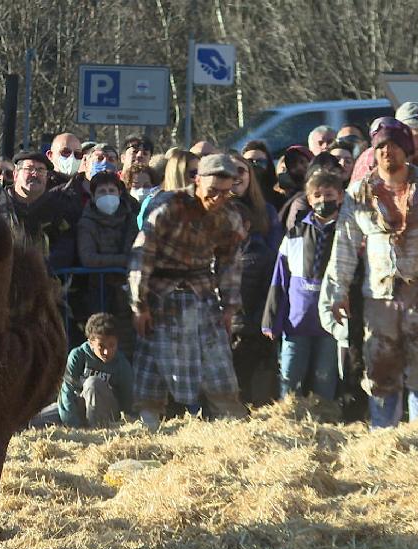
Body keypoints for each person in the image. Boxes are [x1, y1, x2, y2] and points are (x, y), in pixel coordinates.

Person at [321, 117, 418, 428]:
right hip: (378, 299)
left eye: (394, 145)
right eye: (381, 146)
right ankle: (385, 441)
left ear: (406, 149)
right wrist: (337, 292)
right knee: (381, 377)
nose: (387, 152)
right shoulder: (359, 193)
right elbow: (343, 246)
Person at [128, 153, 249, 430]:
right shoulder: (167, 207)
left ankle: (231, 425)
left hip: (202, 294)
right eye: (212, 191)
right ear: (197, 181)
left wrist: (230, 306)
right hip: (160, 294)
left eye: (225, 192)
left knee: (219, 364)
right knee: (152, 369)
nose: (218, 198)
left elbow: (230, 262)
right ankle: (147, 425)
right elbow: (141, 255)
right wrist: (139, 305)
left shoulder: (230, 215)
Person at [263, 170, 346, 401]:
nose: (322, 200)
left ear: (340, 196)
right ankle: (289, 421)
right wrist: (271, 320)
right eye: (316, 195)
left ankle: (325, 418)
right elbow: (279, 280)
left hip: (331, 324)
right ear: (309, 199)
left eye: (328, 194)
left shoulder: (346, 234)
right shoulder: (294, 234)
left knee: (325, 378)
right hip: (296, 321)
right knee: (290, 378)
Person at [228, 153, 282, 406]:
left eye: (242, 170)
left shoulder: (266, 212)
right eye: (230, 171)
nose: (237, 176)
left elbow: (272, 261)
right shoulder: (210, 210)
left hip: (254, 303)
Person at [77, 170, 138, 355]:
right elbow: (88, 258)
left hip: (128, 292)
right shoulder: (86, 223)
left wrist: (126, 261)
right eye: (102, 192)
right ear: (93, 197)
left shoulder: (130, 219)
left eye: (112, 190)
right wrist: (123, 261)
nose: (108, 195)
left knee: (127, 344)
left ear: (120, 193)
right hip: (99, 293)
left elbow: (135, 250)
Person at [1, 151, 82, 271]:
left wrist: (41, 266)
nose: (35, 174)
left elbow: (65, 244)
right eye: (29, 169)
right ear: (15, 174)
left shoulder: (57, 208)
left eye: (41, 170)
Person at [56, 313, 134, 427]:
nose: (106, 352)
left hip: (107, 412)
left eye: (111, 345)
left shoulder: (122, 364)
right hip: (79, 405)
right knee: (37, 421)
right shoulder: (78, 356)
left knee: (93, 383)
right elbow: (67, 390)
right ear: (91, 342)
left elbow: (127, 402)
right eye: (101, 346)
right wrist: (72, 424)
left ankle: (95, 431)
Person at [138, 150, 198, 226]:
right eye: (193, 173)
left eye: (201, 173)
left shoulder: (202, 203)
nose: (199, 178)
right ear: (178, 175)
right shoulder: (156, 204)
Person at [243, 140, 281, 209]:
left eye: (260, 162)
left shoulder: (279, 199)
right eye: (249, 161)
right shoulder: (235, 200)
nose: (255, 165)